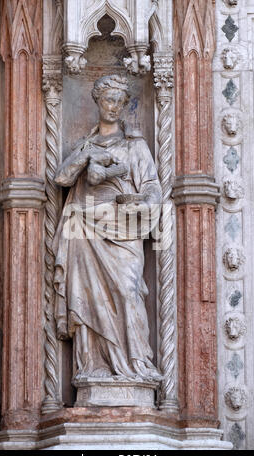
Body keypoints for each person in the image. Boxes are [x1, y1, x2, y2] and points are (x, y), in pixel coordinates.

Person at [53, 74, 162, 383]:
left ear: (125, 105)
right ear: (98, 102)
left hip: (125, 226)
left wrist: (142, 204)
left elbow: (153, 187)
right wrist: (86, 155)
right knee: (88, 298)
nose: (114, 106)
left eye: (119, 101)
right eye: (109, 100)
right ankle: (92, 368)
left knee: (129, 292)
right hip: (86, 228)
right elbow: (61, 179)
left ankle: (136, 365)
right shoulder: (86, 145)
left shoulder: (135, 146)